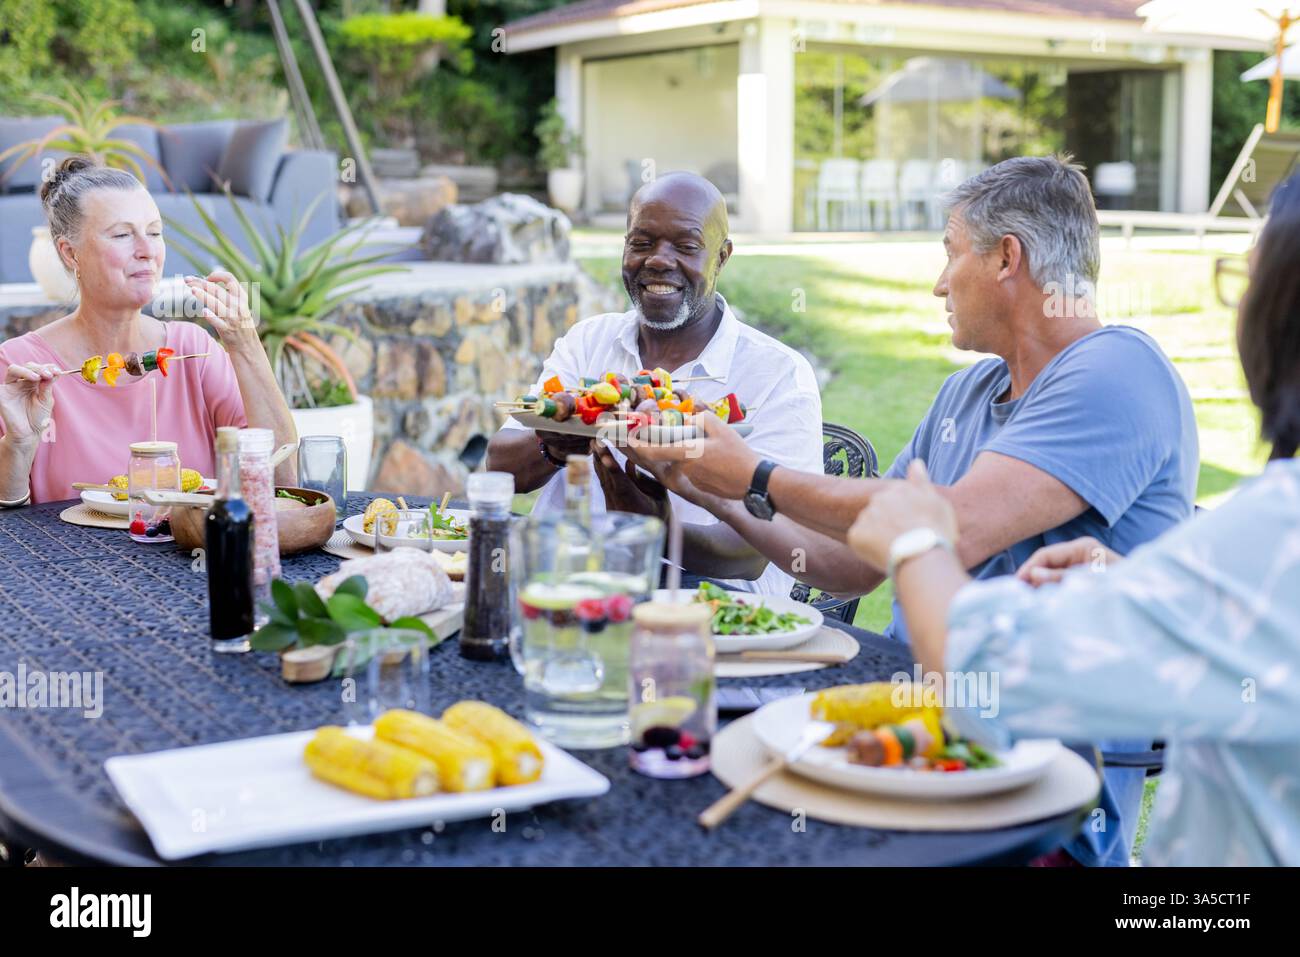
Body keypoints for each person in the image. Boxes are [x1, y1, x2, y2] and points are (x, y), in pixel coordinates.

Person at [628, 155, 1199, 866]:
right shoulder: (966, 394)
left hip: (1036, 802)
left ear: (1006, 258)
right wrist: (707, 486)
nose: (938, 283)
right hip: (910, 744)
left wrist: (754, 470)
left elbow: (946, 527)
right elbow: (848, 566)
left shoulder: (1119, 371)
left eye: (950, 253)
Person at [840, 177, 1300, 866]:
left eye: (1247, 279)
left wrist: (913, 539)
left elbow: (988, 670)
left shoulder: (1274, 533)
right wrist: (1138, 586)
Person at [486, 171, 823, 595]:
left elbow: (759, 550)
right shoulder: (588, 341)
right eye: (641, 243)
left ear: (721, 257)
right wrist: (551, 447)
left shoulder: (777, 375)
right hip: (563, 585)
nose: (658, 261)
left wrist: (655, 527)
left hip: (704, 609)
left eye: (686, 246)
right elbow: (499, 470)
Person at [0, 157, 297, 505]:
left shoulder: (193, 352)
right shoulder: (20, 368)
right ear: (70, 254)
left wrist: (246, 346)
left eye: (155, 232)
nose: (147, 251)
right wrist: (18, 446)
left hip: (185, 557)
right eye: (123, 235)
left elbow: (283, 483)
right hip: (66, 559)